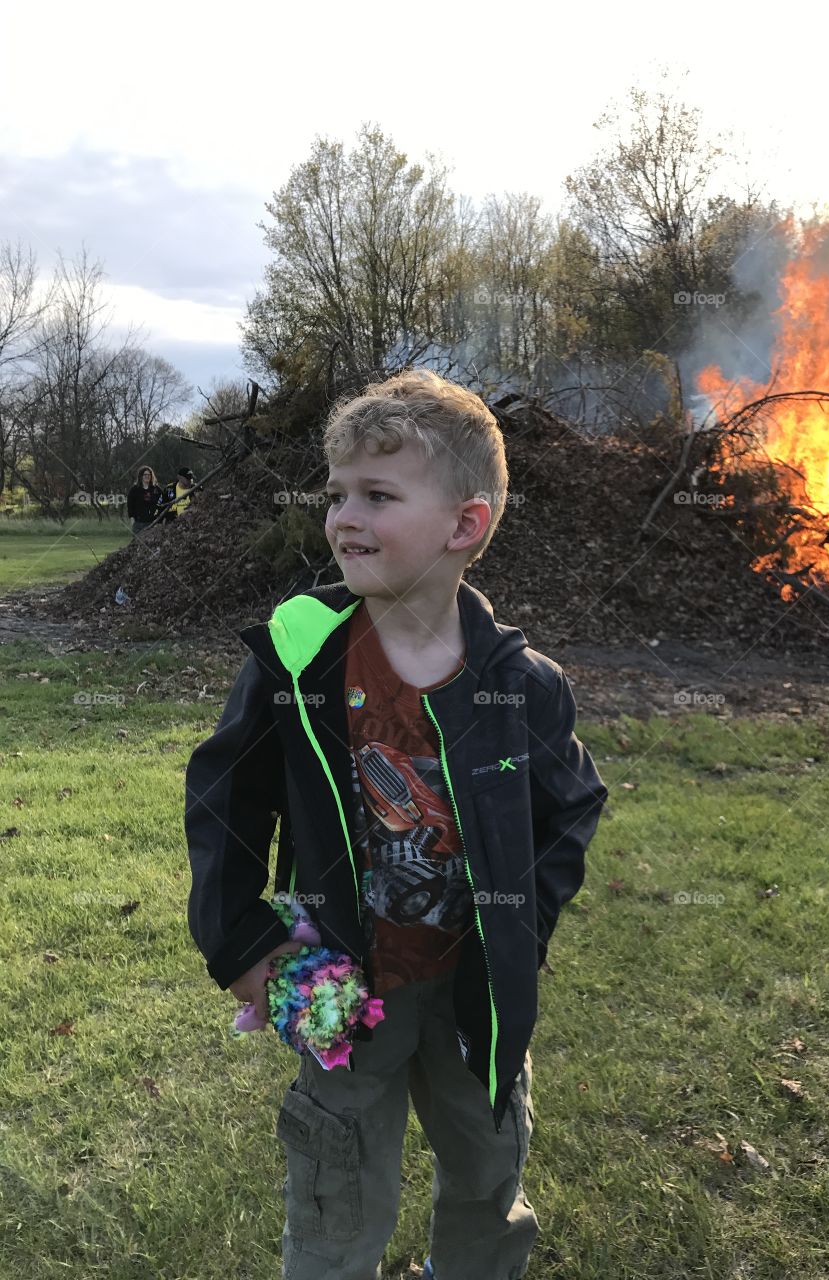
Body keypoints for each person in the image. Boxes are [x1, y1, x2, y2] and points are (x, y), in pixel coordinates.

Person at [184, 369, 609, 1280]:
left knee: (487, 1173)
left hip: (473, 999)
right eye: (337, 494)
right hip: (344, 986)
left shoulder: (522, 684)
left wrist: (521, 929)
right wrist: (242, 941)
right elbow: (224, 798)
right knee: (335, 1187)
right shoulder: (298, 659)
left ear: (465, 525)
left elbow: (572, 806)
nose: (344, 517)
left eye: (377, 496)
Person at [126, 466, 162, 534]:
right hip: (138, 524)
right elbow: (130, 506)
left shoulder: (156, 489)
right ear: (141, 476)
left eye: (149, 475)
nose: (147, 476)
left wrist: (159, 520)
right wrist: (132, 520)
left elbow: (163, 503)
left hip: (153, 524)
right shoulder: (134, 490)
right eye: (145, 474)